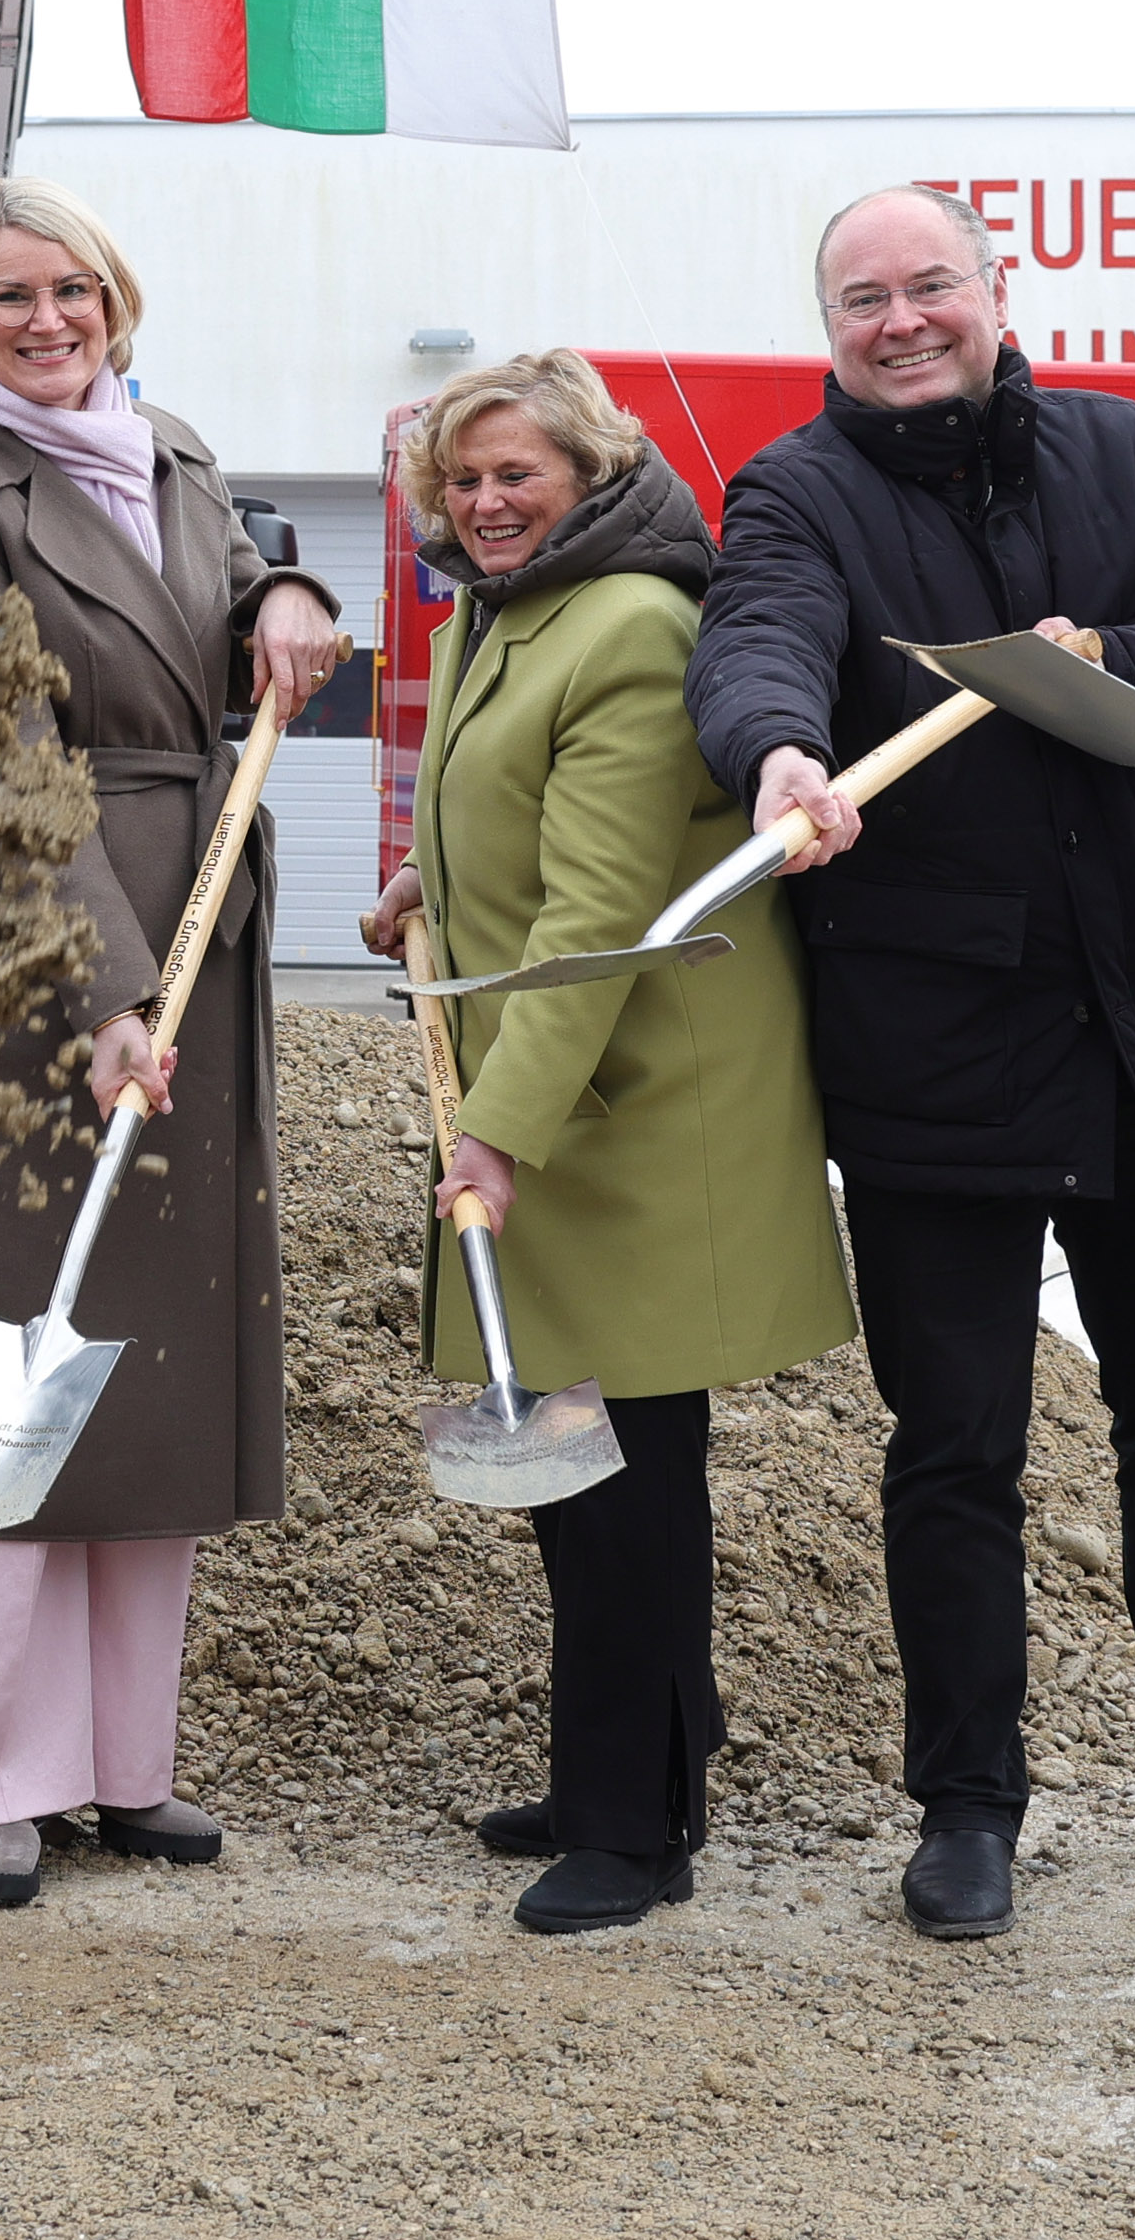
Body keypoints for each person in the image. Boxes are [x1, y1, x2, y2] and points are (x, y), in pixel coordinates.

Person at [681, 185, 1135, 1945]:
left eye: (928, 287)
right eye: (860, 300)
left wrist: (1106, 662)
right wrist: (777, 755)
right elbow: (752, 641)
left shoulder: (1122, 456)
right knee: (955, 1445)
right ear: (828, 326)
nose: (899, 322)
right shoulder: (796, 492)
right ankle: (967, 1802)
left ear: (996, 290)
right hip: (934, 1052)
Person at [0, 177, 343, 1912]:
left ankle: (123, 1764)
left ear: (114, 303)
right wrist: (99, 990)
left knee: (146, 1338)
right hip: (19, 940)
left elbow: (210, 606)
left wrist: (281, 590)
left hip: (190, 912)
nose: (44, 319)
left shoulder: (173, 448)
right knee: (3, 1319)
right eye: (6, 297)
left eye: (71, 290)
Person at [359, 349, 855, 1937]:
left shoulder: (632, 622)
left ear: (593, 472)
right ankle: (623, 1771)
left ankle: (636, 1830)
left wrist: (495, 1135)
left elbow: (603, 914)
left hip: (635, 1109)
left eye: (521, 475)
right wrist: (429, 882)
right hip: (559, 1083)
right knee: (577, 1466)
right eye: (466, 479)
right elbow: (517, 829)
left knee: (627, 1478)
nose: (489, 503)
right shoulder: (501, 613)